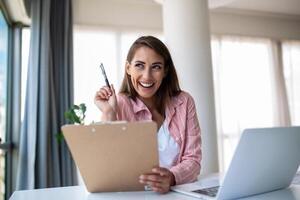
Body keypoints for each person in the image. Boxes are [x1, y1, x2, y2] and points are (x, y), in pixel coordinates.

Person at [94, 36, 201, 194]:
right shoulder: (119, 105)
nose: (147, 76)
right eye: (139, 66)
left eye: (156, 67)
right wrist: (108, 112)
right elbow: (105, 167)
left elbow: (193, 160)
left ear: (165, 71)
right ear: (128, 68)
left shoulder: (184, 102)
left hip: (177, 195)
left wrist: (171, 177)